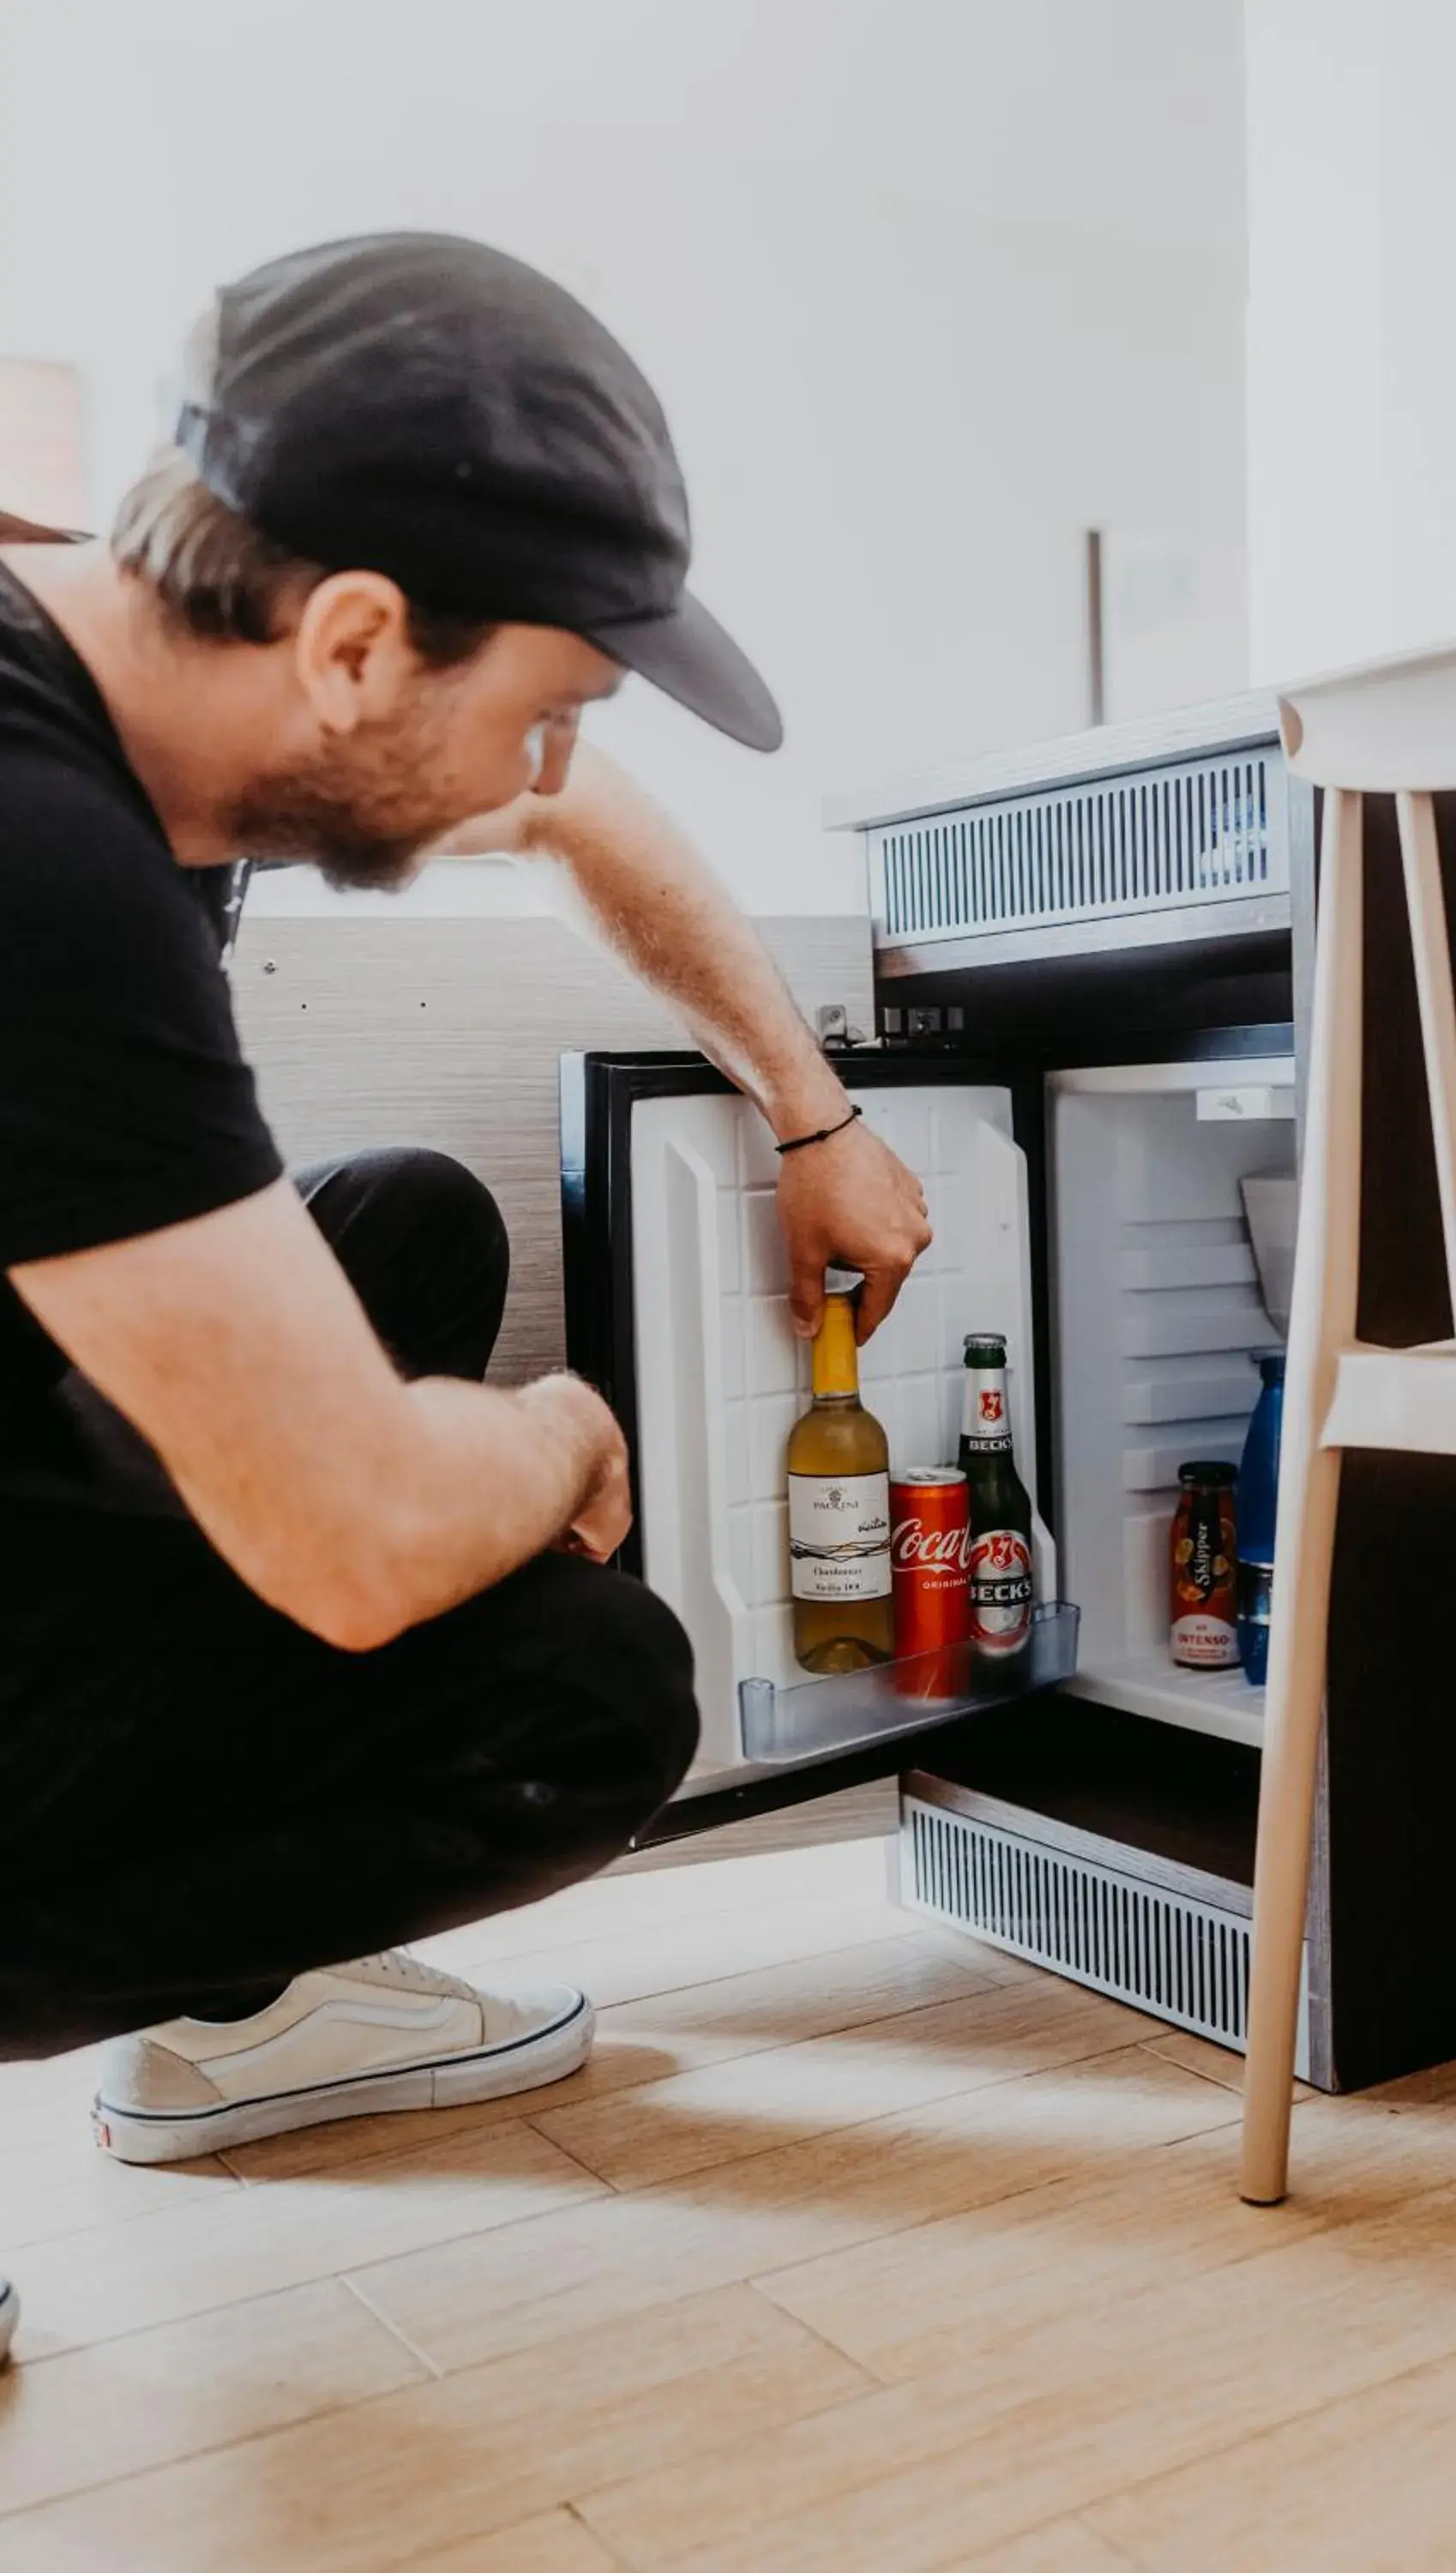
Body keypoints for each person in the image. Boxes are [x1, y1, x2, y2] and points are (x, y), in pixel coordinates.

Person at [0, 233, 931, 2354]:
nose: (541, 778)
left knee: (400, 1220)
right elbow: (358, 1548)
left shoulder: (136, 657)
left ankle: (236, 2019)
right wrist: (567, 1436)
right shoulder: (37, 856)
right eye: (540, 712)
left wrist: (809, 1117)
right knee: (575, 1690)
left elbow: (586, 820)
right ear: (350, 641)